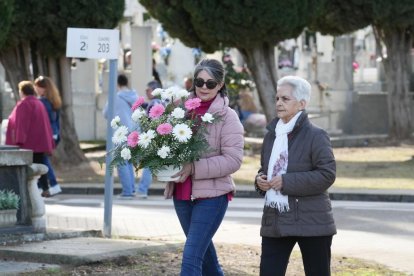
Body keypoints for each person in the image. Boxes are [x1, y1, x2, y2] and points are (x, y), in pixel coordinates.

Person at [165, 58, 244, 275]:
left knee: (190, 259)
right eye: (199, 82)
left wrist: (194, 168)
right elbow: (166, 144)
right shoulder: (179, 110)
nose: (204, 87)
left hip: (213, 197)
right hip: (182, 194)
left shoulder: (228, 117)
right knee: (207, 261)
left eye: (210, 83)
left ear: (220, 85)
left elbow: (233, 159)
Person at [254, 75, 336, 276]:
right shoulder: (271, 135)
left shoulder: (316, 135)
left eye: (285, 99)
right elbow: (266, 169)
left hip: (312, 221)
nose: (279, 103)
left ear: (302, 104)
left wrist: (286, 182)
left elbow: (327, 174)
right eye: (277, 98)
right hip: (275, 219)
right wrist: (260, 180)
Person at [6, 81, 54, 197]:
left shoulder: (24, 104)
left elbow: (21, 123)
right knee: (40, 165)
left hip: (29, 143)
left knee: (28, 169)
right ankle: (45, 188)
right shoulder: (38, 103)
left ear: (22, 91)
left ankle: (29, 191)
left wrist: (18, 140)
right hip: (40, 142)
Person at [103, 74, 139, 199]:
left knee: (121, 161)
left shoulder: (115, 97)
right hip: (133, 132)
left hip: (120, 133)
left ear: (117, 84)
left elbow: (106, 113)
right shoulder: (135, 96)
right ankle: (132, 189)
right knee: (128, 161)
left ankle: (128, 191)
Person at [34, 76, 62, 196]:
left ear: (44, 88)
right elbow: (57, 121)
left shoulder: (41, 102)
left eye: (38, 86)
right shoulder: (54, 101)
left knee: (43, 160)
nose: (36, 88)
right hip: (53, 134)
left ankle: (53, 184)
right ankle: (42, 186)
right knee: (42, 159)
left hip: (46, 135)